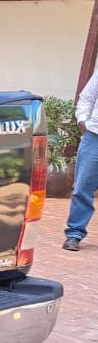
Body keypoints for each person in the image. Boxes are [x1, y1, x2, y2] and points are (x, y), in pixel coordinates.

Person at [64, 66, 98, 251]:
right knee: (83, 188)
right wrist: (82, 121)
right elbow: (87, 97)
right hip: (95, 136)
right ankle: (74, 234)